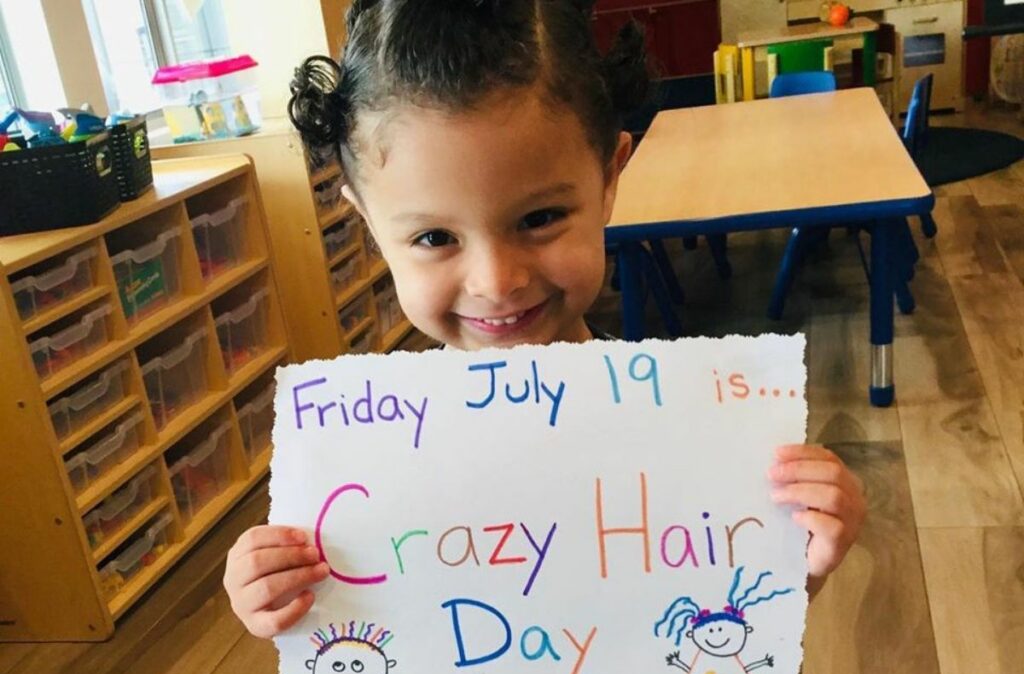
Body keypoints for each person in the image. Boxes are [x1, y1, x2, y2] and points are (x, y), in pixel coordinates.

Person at [223, 0, 866, 639]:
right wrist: (271, 590)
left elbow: (729, 610)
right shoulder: (365, 459)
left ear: (610, 178)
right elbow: (352, 624)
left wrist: (802, 554)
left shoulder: (686, 431)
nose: (496, 281)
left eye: (540, 219)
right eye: (434, 237)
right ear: (368, 224)